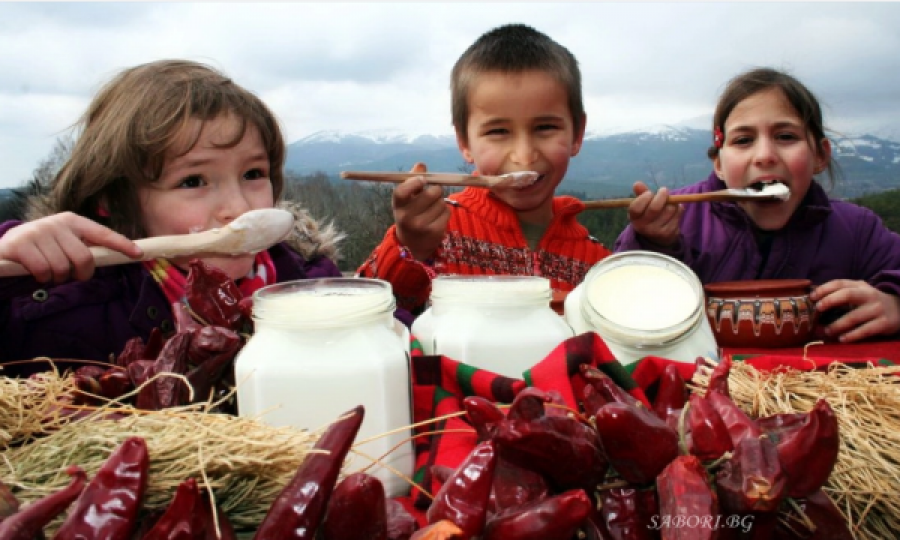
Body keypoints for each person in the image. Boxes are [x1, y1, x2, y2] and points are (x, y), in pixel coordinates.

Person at [0, 59, 346, 371]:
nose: (239, 208)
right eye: (193, 181)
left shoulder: (306, 278)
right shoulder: (71, 310)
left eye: (253, 174)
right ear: (114, 201)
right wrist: (15, 264)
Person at [614, 67, 900, 343]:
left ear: (820, 155)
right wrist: (651, 243)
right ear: (719, 164)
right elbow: (618, 299)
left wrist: (894, 304)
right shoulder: (683, 219)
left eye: (786, 137)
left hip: (824, 387)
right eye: (743, 140)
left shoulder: (856, 230)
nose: (764, 155)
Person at [357, 23, 611, 315]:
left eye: (545, 128)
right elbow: (372, 312)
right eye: (499, 131)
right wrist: (409, 248)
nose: (524, 156)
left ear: (577, 133)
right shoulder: (437, 231)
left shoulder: (596, 262)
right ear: (465, 141)